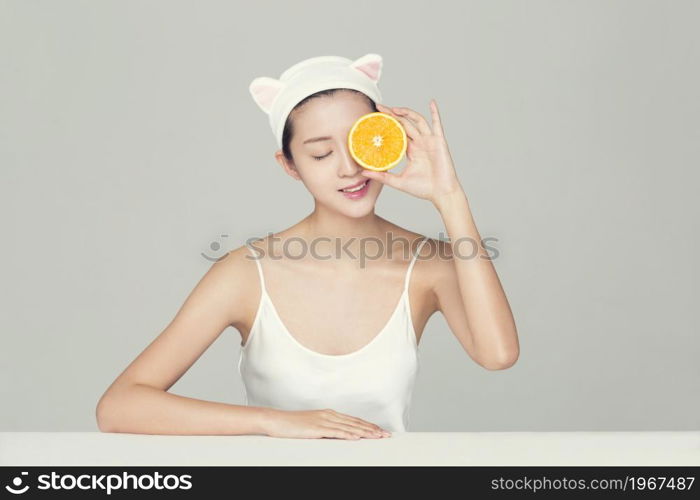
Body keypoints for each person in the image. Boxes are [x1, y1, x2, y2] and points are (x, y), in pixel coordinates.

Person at [96, 53, 519, 440]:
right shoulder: (244, 273)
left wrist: (449, 196)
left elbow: (498, 354)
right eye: (320, 154)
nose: (350, 168)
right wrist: (275, 422)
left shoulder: (430, 264)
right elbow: (119, 406)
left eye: (361, 143)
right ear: (289, 165)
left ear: (385, 138)